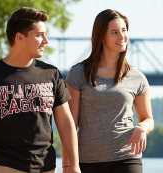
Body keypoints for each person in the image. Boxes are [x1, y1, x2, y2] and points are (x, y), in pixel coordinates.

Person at [0, 7, 80, 173]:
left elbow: (65, 121)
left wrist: (73, 165)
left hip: (45, 167)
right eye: (39, 35)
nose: (46, 41)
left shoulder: (52, 74)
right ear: (19, 37)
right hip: (4, 166)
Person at [65, 9, 153, 173]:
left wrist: (142, 128)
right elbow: (70, 125)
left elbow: (148, 118)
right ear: (101, 36)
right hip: (88, 160)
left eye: (124, 30)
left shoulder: (137, 77)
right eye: (114, 32)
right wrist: (68, 165)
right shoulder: (78, 73)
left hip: (127, 159)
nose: (122, 36)